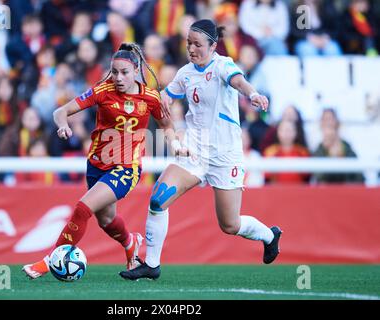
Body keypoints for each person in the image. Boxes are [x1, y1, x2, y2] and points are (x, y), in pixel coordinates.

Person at [120, 19, 282, 281]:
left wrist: (252, 93)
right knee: (158, 200)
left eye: (197, 44)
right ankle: (151, 264)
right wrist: (158, 98)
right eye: (188, 43)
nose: (192, 49)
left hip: (224, 155)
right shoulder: (185, 73)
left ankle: (269, 235)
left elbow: (239, 82)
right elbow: (168, 96)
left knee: (230, 224)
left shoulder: (223, 65)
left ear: (213, 46)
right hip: (194, 150)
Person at [22, 43, 183, 279]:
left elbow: (167, 126)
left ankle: (50, 260)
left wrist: (177, 145)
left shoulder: (150, 97)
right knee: (106, 220)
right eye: (115, 71)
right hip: (97, 164)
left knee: (82, 208)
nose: (118, 77)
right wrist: (64, 125)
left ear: (137, 70)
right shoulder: (102, 90)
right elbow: (60, 112)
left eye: (124, 72)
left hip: (127, 168)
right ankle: (130, 244)